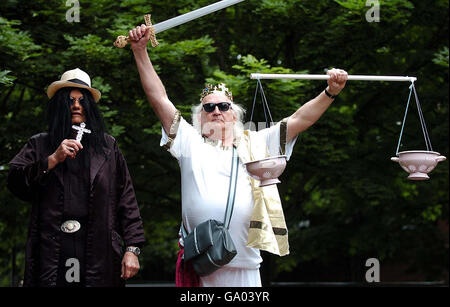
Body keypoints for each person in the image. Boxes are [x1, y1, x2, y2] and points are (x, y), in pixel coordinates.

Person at [128, 24, 348, 287]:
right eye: (209, 107)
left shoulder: (256, 141)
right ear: (200, 117)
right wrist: (140, 51)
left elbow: (300, 119)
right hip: (201, 262)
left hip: (245, 264)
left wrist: (330, 92)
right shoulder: (190, 142)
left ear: (234, 113)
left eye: (223, 106)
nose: (217, 111)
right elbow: (159, 98)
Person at [7, 68, 145, 287]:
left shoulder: (108, 147)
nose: (77, 105)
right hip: (51, 250)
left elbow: (126, 200)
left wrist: (132, 249)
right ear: (60, 105)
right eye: (70, 100)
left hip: (98, 251)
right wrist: (52, 159)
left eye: (82, 100)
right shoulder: (40, 144)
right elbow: (15, 182)